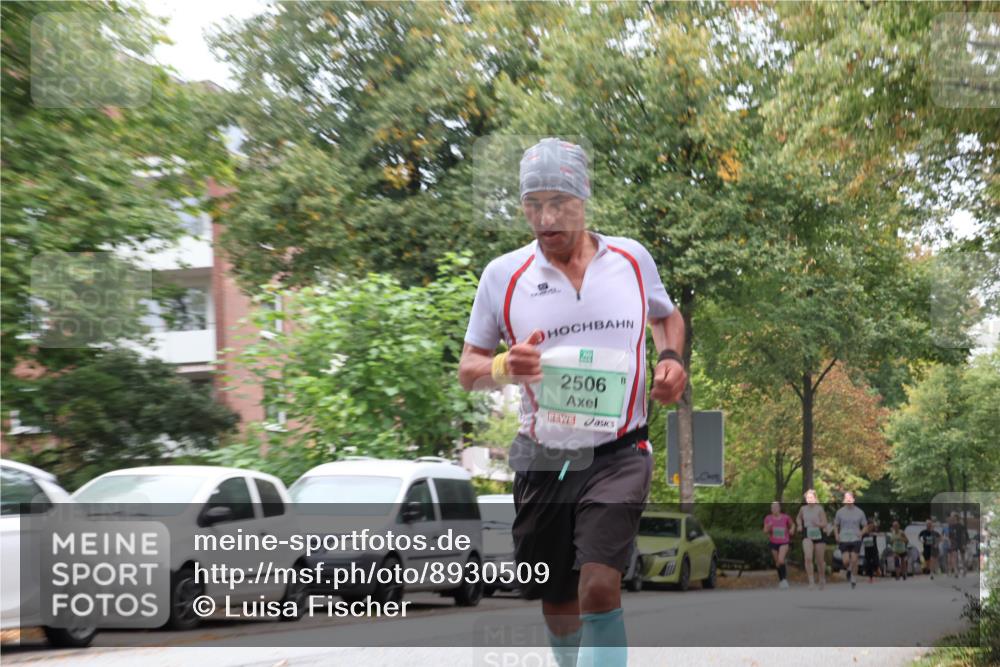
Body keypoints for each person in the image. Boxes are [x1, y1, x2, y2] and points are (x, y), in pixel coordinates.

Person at [458, 138, 688, 667]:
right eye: (533, 205)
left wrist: (671, 358)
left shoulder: (631, 259)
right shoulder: (503, 276)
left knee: (600, 588)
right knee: (558, 601)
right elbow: (469, 370)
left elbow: (665, 317)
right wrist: (502, 367)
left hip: (621, 451)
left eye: (558, 202)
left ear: (584, 199)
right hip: (544, 460)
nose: (546, 217)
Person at [796, 489, 829, 590]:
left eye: (811, 497)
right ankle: (811, 581)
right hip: (807, 533)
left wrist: (818, 524)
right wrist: (800, 525)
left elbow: (825, 523)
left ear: (815, 498)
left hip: (819, 534)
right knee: (808, 557)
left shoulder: (819, 509)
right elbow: (798, 518)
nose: (809, 499)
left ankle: (822, 578)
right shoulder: (803, 509)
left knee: (819, 560)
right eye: (807, 498)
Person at [833, 491, 866, 589]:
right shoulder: (840, 512)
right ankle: (849, 569)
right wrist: (836, 535)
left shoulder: (859, 512)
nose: (847, 500)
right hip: (844, 538)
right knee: (846, 561)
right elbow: (835, 525)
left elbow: (865, 525)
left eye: (849, 498)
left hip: (855, 538)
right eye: (846, 498)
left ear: (853, 499)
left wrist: (861, 533)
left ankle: (853, 578)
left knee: (855, 559)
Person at [763, 501, 795, 589]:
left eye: (775, 507)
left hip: (784, 542)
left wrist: (792, 529)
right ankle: (781, 580)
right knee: (777, 562)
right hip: (773, 542)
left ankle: (784, 580)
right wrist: (768, 527)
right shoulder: (768, 518)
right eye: (772, 508)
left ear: (779, 508)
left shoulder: (785, 517)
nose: (774, 509)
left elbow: (792, 525)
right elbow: (765, 531)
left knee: (781, 560)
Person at [948, 513, 969, 578]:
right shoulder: (950, 526)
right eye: (952, 518)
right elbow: (950, 535)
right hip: (954, 543)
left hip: (961, 542)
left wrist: (965, 544)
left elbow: (966, 535)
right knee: (954, 556)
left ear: (957, 519)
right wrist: (950, 541)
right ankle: (956, 571)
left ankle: (964, 569)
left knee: (962, 557)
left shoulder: (961, 526)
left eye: (953, 518)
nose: (952, 519)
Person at [861, 518, 880, 583]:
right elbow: (861, 536)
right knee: (868, 564)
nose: (871, 526)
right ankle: (870, 577)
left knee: (875, 562)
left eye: (872, 524)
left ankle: (877, 569)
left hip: (874, 550)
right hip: (867, 550)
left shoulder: (875, 530)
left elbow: (877, 533)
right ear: (868, 525)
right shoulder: (864, 531)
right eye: (870, 524)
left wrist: (873, 532)